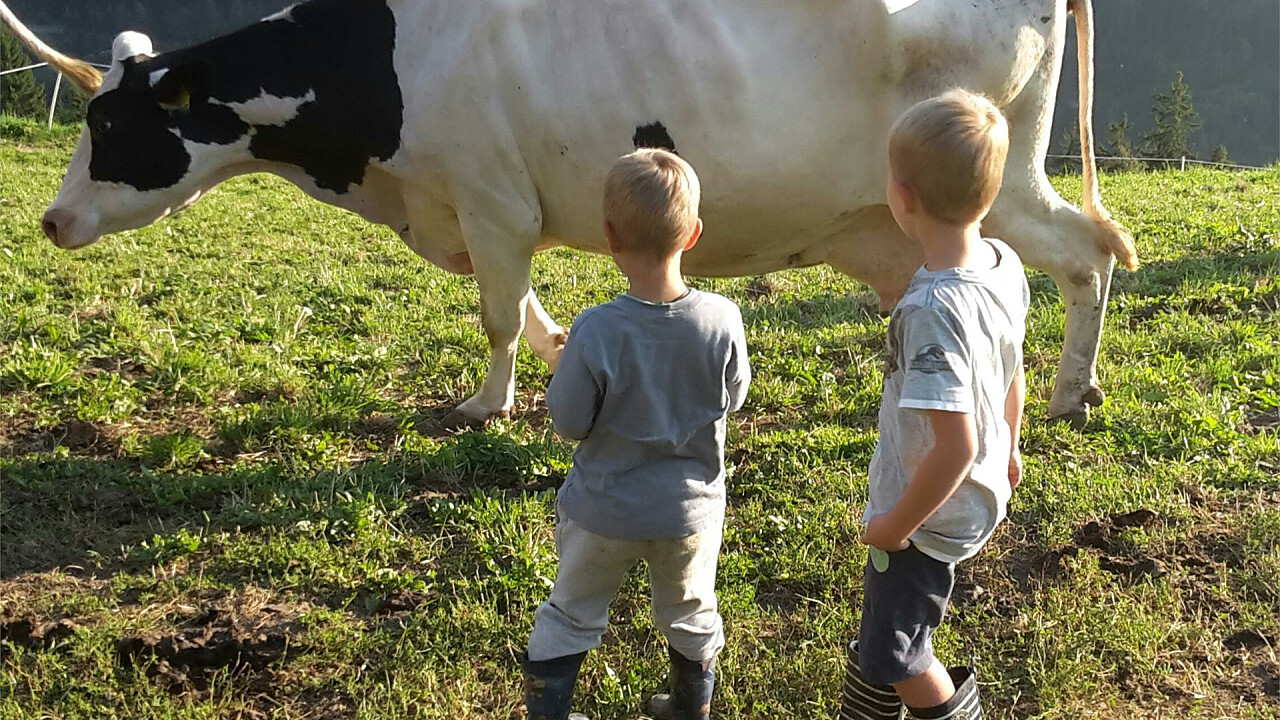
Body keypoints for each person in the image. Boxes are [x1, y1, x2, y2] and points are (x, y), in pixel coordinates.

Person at [521, 148, 751, 720]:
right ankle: (689, 707)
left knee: (570, 613)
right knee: (690, 611)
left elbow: (570, 423)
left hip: (603, 511)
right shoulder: (723, 318)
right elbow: (734, 397)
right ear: (693, 234)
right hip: (689, 515)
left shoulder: (595, 329)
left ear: (608, 237)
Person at [840, 89, 1029, 720]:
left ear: (902, 197)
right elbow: (1011, 368)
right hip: (970, 492)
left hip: (926, 516)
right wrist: (1013, 445)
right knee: (883, 628)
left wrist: (895, 526)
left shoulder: (929, 310)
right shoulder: (1003, 265)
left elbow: (956, 446)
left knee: (898, 652)